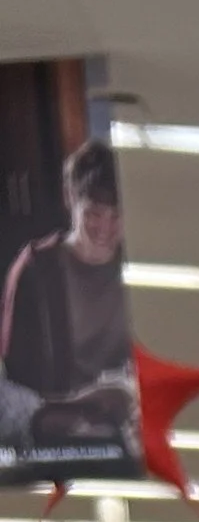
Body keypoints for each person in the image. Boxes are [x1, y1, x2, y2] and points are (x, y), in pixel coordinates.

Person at [0, 140, 136, 460]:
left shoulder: (138, 266)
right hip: (59, 429)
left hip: (126, 425)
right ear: (69, 199)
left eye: (117, 215)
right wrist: (55, 415)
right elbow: (11, 382)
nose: (106, 228)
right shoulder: (35, 270)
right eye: (93, 213)